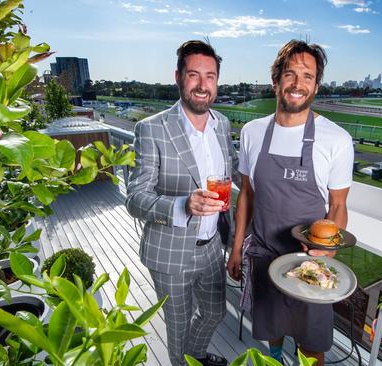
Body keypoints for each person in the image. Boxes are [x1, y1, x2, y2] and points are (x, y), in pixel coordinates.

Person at [227, 40, 354, 365]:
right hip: (265, 258)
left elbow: (338, 206)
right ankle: (276, 358)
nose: (298, 84)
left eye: (308, 76)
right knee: (272, 330)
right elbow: (247, 195)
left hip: (309, 266)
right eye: (290, 74)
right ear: (276, 80)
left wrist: (326, 254)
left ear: (316, 86)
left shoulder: (336, 140)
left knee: (312, 347)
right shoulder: (253, 132)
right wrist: (238, 247)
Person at [126, 40, 238, 366]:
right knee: (177, 327)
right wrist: (183, 206)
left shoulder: (223, 125)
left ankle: (196, 357)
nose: (203, 85)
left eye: (211, 76)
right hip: (170, 251)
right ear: (178, 77)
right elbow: (135, 199)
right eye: (194, 75)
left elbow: (231, 178)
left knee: (215, 312)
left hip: (211, 247)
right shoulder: (151, 129)